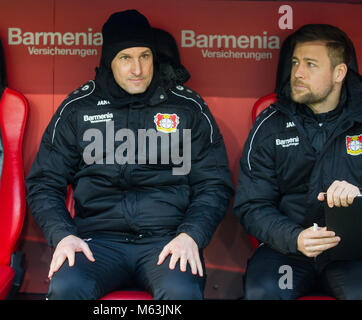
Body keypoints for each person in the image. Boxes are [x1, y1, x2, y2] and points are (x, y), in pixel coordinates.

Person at [26, 9, 234, 300]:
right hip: (97, 242)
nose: (137, 69)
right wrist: (62, 235)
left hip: (167, 241)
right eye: (125, 58)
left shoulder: (186, 107)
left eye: (144, 56)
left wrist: (191, 235)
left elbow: (213, 183)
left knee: (181, 293)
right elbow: (44, 182)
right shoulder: (78, 108)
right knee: (66, 289)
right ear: (109, 61)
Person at [233, 24, 362, 300]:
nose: (298, 73)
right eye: (295, 62)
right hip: (288, 251)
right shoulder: (270, 124)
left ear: (339, 73)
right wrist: (295, 238)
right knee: (263, 293)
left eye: (311, 64)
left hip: (352, 254)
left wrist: (359, 198)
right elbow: (251, 204)